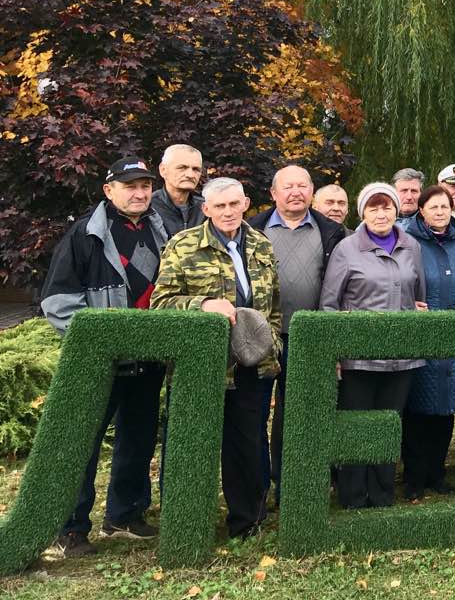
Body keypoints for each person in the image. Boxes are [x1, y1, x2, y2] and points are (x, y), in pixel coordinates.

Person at [40, 157, 169, 558]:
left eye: (145, 185)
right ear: (109, 190)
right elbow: (57, 301)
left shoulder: (162, 230)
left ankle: (125, 516)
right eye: (130, 185)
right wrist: (100, 340)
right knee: (84, 443)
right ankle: (71, 529)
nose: (140, 192)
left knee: (138, 438)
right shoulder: (85, 234)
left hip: (149, 357)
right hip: (99, 360)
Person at [153, 177, 282, 538]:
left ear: (245, 204)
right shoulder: (183, 246)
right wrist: (204, 304)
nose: (228, 212)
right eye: (219, 206)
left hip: (252, 366)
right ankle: (185, 523)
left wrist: (271, 344)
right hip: (202, 368)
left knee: (248, 444)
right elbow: (160, 304)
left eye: (234, 204)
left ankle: (248, 521)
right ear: (205, 209)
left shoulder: (261, 244)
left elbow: (273, 305)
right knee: (192, 446)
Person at [319, 182, 427, 509]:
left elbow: (418, 295)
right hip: (359, 359)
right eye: (373, 208)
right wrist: (335, 353)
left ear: (396, 210)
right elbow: (329, 304)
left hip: (402, 358)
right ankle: (352, 495)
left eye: (387, 207)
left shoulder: (411, 246)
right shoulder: (347, 249)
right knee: (356, 427)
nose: (381, 214)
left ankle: (382, 494)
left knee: (388, 425)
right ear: (362, 212)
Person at [247, 165, 346, 506]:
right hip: (261, 337)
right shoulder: (251, 229)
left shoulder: (332, 231)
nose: (295, 192)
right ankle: (258, 489)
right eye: (287, 186)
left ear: (311, 192)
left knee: (298, 417)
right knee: (255, 414)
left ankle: (291, 486)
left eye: (302, 186)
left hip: (308, 339)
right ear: (273, 194)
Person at [401, 185, 455, 497]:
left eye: (444, 207)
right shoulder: (408, 243)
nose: (439, 212)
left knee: (446, 408)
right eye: (433, 207)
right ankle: (414, 477)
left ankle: (437, 473)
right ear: (421, 210)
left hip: (453, 336)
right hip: (420, 336)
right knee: (418, 408)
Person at [152, 143, 205, 238]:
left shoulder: (206, 209)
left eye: (196, 169)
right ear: (163, 170)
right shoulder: (148, 208)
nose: (190, 175)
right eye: (182, 168)